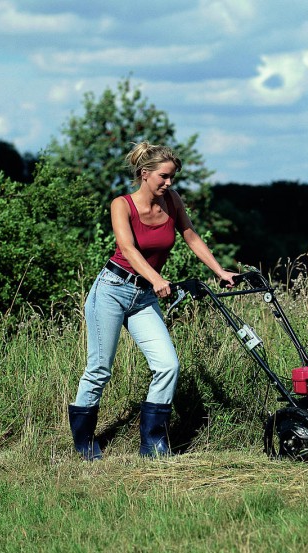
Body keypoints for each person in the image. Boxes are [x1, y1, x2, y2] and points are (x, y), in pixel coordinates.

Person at [68, 141, 237, 460]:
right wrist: (157, 278)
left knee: (167, 365)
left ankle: (153, 441)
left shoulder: (172, 201)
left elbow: (190, 235)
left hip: (143, 298)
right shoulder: (122, 205)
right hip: (112, 290)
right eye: (164, 176)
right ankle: (85, 442)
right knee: (100, 368)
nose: (169, 183)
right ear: (145, 174)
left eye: (172, 177)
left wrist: (219, 271)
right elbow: (128, 249)